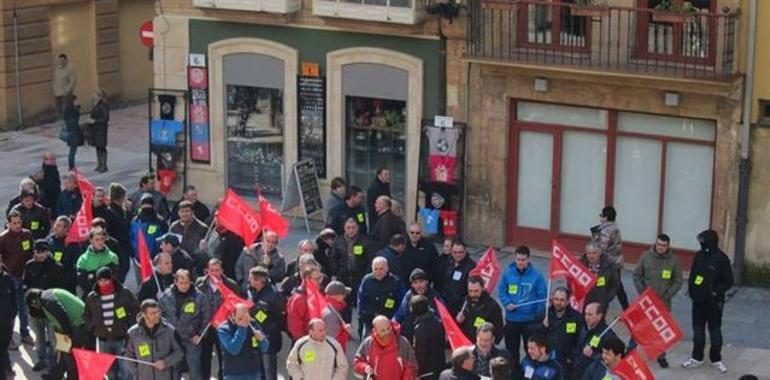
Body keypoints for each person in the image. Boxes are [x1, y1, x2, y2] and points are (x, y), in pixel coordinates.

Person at [682, 229, 734, 374]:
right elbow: (693, 274)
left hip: (714, 303)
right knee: (698, 330)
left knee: (715, 331)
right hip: (698, 301)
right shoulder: (698, 256)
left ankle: (716, 359)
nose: (701, 244)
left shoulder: (721, 258)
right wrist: (692, 290)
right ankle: (696, 357)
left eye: (704, 241)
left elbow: (729, 281)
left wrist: (715, 291)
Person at [632, 233, 683, 368]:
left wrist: (668, 295)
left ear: (668, 246)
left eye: (664, 245)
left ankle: (661, 356)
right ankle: (634, 352)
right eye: (659, 244)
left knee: (660, 331)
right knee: (641, 328)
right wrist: (642, 292)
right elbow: (636, 275)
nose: (661, 247)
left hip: (663, 303)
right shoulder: (646, 256)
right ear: (655, 244)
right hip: (646, 302)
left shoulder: (674, 260)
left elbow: (678, 281)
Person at [84, 267, 138, 380]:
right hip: (103, 339)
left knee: (126, 370)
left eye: (105, 280)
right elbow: (86, 315)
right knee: (109, 371)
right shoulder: (92, 297)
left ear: (111, 279)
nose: (103, 283)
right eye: (100, 280)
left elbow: (135, 311)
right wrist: (93, 329)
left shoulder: (124, 293)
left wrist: (129, 326)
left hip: (122, 338)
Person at [499, 245, 547, 369]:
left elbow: (542, 297)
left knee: (531, 351)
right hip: (512, 320)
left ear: (528, 259)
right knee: (511, 352)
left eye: (523, 259)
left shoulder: (537, 276)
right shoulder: (507, 274)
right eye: (518, 259)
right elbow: (502, 291)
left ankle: (530, 373)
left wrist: (538, 316)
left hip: (530, 322)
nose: (521, 262)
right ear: (514, 258)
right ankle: (513, 374)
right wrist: (507, 303)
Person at [27, 287, 91, 380]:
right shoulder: (47, 296)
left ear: (34, 301)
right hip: (72, 323)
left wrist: (67, 335)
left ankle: (72, 378)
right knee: (63, 350)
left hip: (79, 322)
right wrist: (61, 336)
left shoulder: (46, 300)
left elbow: (61, 315)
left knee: (69, 355)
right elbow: (57, 320)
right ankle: (56, 375)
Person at [196, 258, 241, 379]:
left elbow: (237, 305)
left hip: (223, 326)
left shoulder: (231, 285)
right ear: (207, 271)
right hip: (205, 327)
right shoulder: (199, 284)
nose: (215, 273)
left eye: (217, 270)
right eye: (212, 270)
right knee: (205, 357)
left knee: (223, 357)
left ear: (222, 271)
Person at [159, 269, 207, 380]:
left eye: (186, 282)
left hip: (192, 338)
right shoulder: (166, 296)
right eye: (181, 283)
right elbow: (160, 316)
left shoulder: (199, 296)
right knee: (174, 371)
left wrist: (200, 334)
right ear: (175, 282)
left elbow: (206, 317)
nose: (184, 286)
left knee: (195, 370)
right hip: (172, 340)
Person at [23, 240, 63, 371]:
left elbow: (60, 290)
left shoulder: (57, 267)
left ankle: (53, 362)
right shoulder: (30, 265)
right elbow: (26, 284)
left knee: (53, 338)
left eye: (42, 252)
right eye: (37, 252)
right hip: (35, 310)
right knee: (39, 338)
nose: (40, 255)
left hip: (51, 310)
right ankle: (41, 360)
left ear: (47, 251)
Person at [125, 299, 184, 380]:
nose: (157, 315)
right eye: (153, 313)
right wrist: (137, 374)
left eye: (158, 312)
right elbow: (128, 356)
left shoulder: (170, 330)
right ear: (144, 315)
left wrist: (166, 362)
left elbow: (180, 352)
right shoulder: (133, 333)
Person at [244, 266, 284, 380]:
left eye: (251, 278)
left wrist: (255, 313)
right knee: (257, 370)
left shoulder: (273, 294)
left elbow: (278, 317)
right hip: (253, 336)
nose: (248, 280)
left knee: (269, 371)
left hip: (269, 337)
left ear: (259, 281)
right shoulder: (249, 290)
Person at [0, 210, 34, 345]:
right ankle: (9, 339)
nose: (17, 225)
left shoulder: (27, 234)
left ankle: (25, 334)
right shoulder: (3, 238)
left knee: (23, 307)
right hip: (10, 278)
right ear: (9, 224)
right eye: (14, 223)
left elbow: (31, 252)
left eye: (19, 222)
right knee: (10, 310)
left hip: (24, 275)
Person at [354, 315, 417, 379]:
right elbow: (357, 362)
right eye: (383, 330)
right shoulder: (367, 343)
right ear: (375, 330)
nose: (387, 332)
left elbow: (411, 367)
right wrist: (365, 367)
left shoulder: (402, 343)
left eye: (388, 328)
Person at [217, 303, 270, 380]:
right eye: (240, 318)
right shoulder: (224, 329)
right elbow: (234, 349)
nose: (244, 321)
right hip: (234, 374)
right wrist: (242, 329)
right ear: (232, 315)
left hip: (253, 373)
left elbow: (265, 348)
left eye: (246, 316)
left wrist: (262, 340)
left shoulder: (253, 324)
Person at [539, 287, 583, 378]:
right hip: (547, 359)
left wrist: (572, 357)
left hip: (566, 362)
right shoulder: (545, 314)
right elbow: (536, 337)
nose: (558, 303)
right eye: (556, 299)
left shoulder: (576, 318)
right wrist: (543, 327)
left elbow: (580, 340)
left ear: (567, 301)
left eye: (562, 300)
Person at [357, 257, 406, 337]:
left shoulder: (395, 282)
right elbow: (361, 301)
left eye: (381, 269)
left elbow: (402, 303)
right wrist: (364, 316)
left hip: (389, 323)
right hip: (370, 323)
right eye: (375, 269)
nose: (378, 272)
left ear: (387, 269)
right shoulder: (366, 281)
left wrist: (395, 319)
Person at [590, 206, 627, 310]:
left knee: (608, 286)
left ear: (605, 217)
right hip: (616, 261)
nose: (600, 217)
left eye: (601, 215)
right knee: (617, 285)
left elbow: (602, 247)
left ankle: (601, 308)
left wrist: (595, 239)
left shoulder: (605, 230)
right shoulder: (615, 227)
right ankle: (626, 307)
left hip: (608, 263)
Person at [333, 217, 375, 300]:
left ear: (358, 227)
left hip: (360, 276)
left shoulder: (366, 241)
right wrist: (336, 273)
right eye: (348, 227)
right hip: (343, 277)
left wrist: (366, 274)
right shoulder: (338, 241)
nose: (351, 230)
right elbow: (334, 259)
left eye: (353, 227)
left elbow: (370, 260)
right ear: (344, 228)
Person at [393, 268, 441, 340]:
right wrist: (392, 325)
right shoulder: (408, 295)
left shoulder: (436, 297)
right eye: (415, 283)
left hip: (428, 338)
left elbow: (442, 318)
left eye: (421, 281)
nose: (419, 285)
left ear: (427, 282)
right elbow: (399, 315)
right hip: (409, 337)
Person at [573, 302, 616, 378]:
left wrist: (592, 355)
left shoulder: (607, 335)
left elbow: (612, 359)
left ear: (599, 316)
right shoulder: (584, 328)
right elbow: (577, 346)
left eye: (590, 314)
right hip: (576, 370)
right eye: (586, 314)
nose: (587, 317)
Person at [457, 275, 504, 344]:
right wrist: (458, 321)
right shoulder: (465, 301)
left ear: (483, 288)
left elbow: (498, 331)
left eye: (476, 291)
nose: (473, 294)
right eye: (470, 291)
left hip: (483, 345)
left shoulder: (492, 306)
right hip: (465, 343)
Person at [436, 240, 476, 315]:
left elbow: (470, 291)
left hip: (460, 308)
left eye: (460, 252)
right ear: (451, 251)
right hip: (445, 305)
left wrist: (463, 311)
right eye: (455, 252)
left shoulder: (471, 266)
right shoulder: (449, 262)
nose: (458, 255)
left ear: (465, 251)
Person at [411, 295, 446, 380]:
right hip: (440, 366)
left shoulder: (420, 328)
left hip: (427, 372)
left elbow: (421, 353)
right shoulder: (436, 321)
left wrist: (418, 371)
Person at [76, 228, 119, 296]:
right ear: (91, 240)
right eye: (97, 239)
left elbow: (114, 279)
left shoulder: (112, 257)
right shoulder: (82, 260)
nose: (100, 242)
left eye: (102, 239)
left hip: (110, 295)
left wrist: (91, 275)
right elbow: (83, 283)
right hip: (91, 297)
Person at [287, 265, 325, 341]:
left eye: (320, 278)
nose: (320, 282)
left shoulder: (319, 292)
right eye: (317, 279)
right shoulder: (299, 299)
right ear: (307, 279)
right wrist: (304, 342)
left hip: (318, 338)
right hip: (306, 342)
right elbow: (295, 326)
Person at [580, 241, 620, 312]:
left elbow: (615, 285)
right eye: (588, 253)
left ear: (600, 253)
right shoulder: (580, 264)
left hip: (601, 302)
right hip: (583, 301)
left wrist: (607, 299)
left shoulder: (609, 266)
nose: (591, 256)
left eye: (594, 253)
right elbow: (571, 280)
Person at [107, 183, 134, 283]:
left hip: (122, 246)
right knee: (121, 270)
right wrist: (128, 212)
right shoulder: (112, 212)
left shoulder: (115, 210)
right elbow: (125, 225)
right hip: (119, 246)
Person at [46, 216, 80, 292]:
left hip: (67, 282)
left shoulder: (73, 243)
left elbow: (75, 263)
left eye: (58, 226)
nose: (55, 227)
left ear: (66, 229)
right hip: (51, 280)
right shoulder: (48, 240)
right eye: (55, 224)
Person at [322, 281, 353, 351]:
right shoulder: (331, 314)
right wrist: (346, 331)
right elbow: (332, 341)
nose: (345, 297)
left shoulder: (330, 308)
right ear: (337, 296)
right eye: (343, 294)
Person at [0, 265, 16, 379]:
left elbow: (14, 301)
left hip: (6, 321)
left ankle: (7, 368)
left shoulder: (7, 279)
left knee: (3, 348)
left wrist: (12, 317)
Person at [52, 53, 76, 118]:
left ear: (66, 60)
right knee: (58, 109)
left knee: (65, 109)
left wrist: (67, 90)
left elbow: (72, 81)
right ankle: (60, 121)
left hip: (65, 93)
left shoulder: (70, 68)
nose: (61, 62)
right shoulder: (57, 69)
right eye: (60, 60)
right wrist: (54, 88)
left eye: (62, 60)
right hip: (57, 93)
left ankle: (66, 120)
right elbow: (55, 79)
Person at [62, 96, 82, 171]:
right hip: (73, 132)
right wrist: (78, 110)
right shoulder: (72, 110)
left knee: (72, 150)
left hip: (71, 132)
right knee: (72, 151)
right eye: (76, 100)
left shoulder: (68, 109)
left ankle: (71, 166)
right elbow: (75, 120)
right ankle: (71, 167)